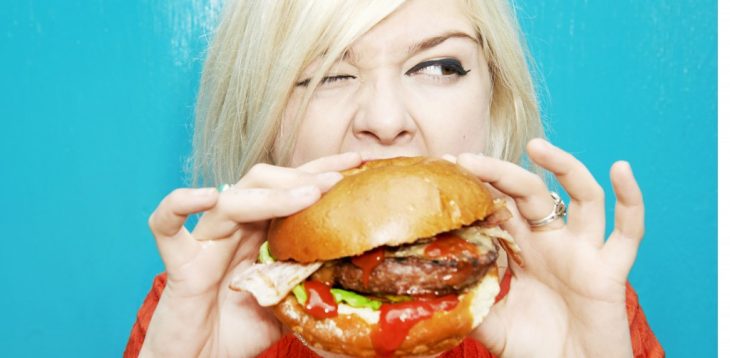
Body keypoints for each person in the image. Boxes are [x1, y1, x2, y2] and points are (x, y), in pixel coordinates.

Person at [125, 0, 664, 357]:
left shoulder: (582, 301)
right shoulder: (198, 306)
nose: (384, 122)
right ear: (260, 115)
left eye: (438, 66)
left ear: (496, 100)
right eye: (324, 75)